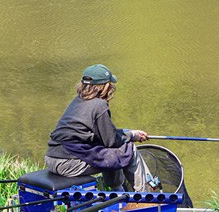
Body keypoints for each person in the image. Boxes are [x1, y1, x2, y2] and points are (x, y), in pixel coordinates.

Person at [45, 64, 153, 192]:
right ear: (105, 86)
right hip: (68, 164)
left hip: (52, 158)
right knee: (128, 150)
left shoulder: (77, 101)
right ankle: (145, 198)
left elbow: (103, 135)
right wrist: (132, 136)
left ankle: (118, 194)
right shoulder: (99, 105)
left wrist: (127, 132)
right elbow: (111, 141)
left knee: (111, 153)